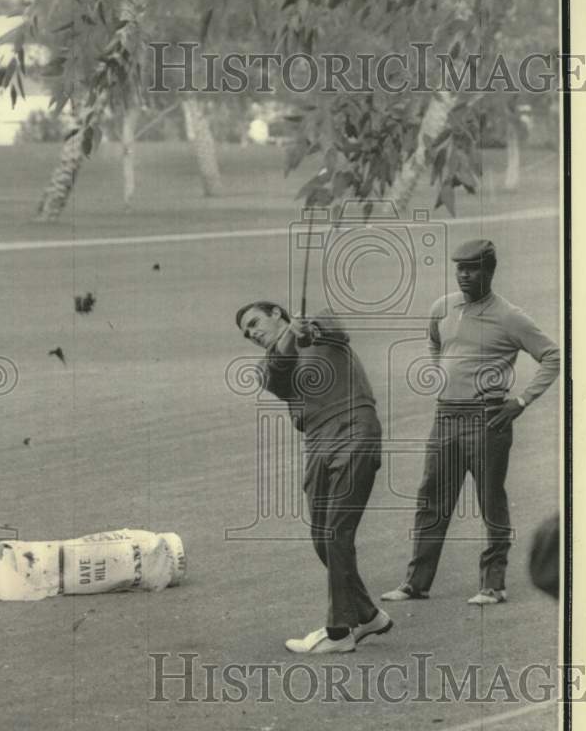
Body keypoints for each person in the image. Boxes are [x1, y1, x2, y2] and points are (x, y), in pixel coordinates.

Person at [381, 239, 560, 606]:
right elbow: (435, 343)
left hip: (488, 419)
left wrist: (521, 401)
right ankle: (416, 583)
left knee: (490, 500)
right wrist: (444, 376)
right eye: (460, 268)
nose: (464, 274)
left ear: (489, 271)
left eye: (473, 268)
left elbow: (553, 356)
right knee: (431, 498)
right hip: (445, 415)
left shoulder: (510, 316)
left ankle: (493, 584)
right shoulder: (443, 307)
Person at [236, 301, 392, 653]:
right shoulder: (266, 368)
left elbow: (333, 331)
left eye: (255, 323)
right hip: (318, 441)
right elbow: (281, 363)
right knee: (322, 536)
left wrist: (307, 330)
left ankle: (338, 632)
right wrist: (293, 337)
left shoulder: (319, 320)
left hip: (354, 425)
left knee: (336, 531)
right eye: (247, 333)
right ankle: (368, 615)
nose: (252, 333)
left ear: (277, 312)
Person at [0, 528, 185, 603]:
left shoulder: (149, 556)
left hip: (69, 568)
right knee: (35, 567)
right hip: (69, 561)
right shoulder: (151, 563)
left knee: (35, 572)